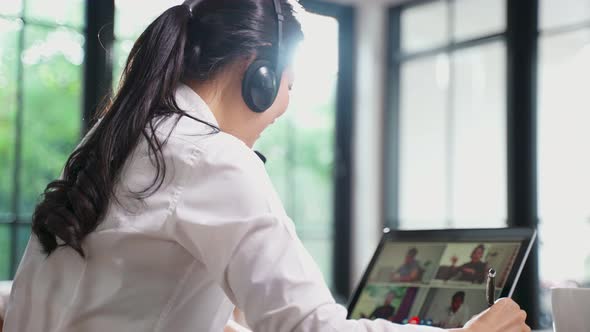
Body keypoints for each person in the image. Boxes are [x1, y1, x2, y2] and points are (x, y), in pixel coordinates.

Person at [3, 0, 531, 331]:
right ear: (258, 75)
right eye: (290, 86)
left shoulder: (116, 142)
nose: (283, 108)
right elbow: (308, 328)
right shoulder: (208, 156)